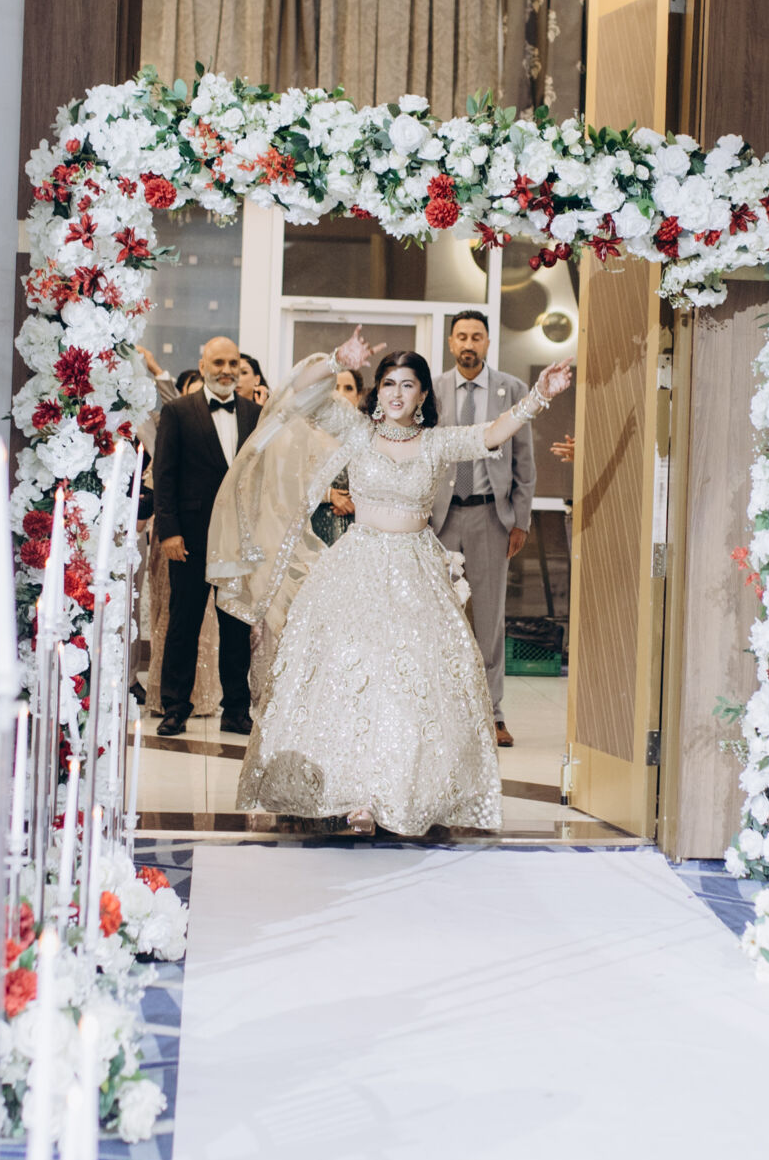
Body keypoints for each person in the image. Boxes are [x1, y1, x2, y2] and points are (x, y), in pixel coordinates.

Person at [210, 327, 573, 835]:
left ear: (423, 396)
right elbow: (303, 392)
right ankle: (350, 793)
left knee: (408, 687)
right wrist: (338, 359)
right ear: (376, 391)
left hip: (416, 572)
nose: (396, 394)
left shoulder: (436, 443)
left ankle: (397, 792)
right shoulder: (356, 430)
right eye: (387, 384)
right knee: (350, 680)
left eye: (407, 385)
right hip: (355, 568)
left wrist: (539, 396)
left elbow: (493, 433)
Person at [431, 311, 536, 748]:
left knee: (489, 619)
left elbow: (524, 459)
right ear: (451, 343)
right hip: (441, 518)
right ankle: (440, 712)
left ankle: (492, 715)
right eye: (461, 337)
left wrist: (520, 519)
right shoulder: (433, 389)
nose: (468, 344)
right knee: (439, 617)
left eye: (476, 336)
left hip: (491, 516)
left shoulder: (512, 389)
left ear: (488, 343)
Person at [151, 336, 262, 736]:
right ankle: (175, 707)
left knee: (236, 627)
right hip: (190, 538)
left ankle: (236, 709)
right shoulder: (178, 411)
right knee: (184, 624)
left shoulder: (255, 414)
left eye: (233, 363)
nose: (226, 370)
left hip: (238, 541)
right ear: (203, 366)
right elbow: (164, 475)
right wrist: (169, 532)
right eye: (218, 363)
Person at [309, 366, 361, 546]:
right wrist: (328, 495)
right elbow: (292, 481)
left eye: (348, 388)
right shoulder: (311, 432)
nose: (341, 394)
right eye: (335, 387)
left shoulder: (368, 436)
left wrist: (360, 504)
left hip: (359, 527)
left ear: (358, 396)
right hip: (317, 521)